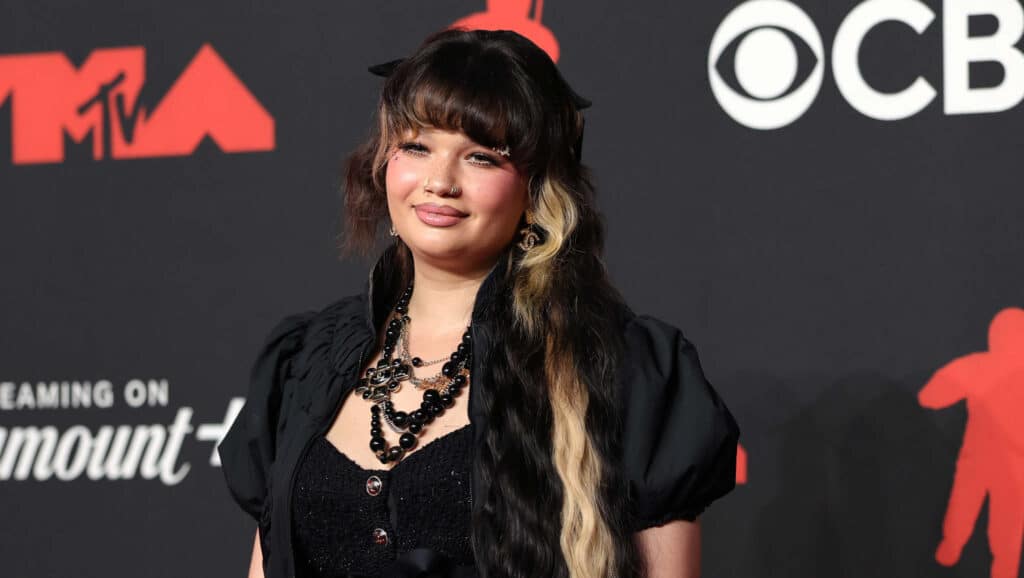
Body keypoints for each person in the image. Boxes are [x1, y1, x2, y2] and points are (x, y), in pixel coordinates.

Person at [218, 28, 739, 578]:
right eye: (416, 147)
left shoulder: (621, 368)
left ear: (536, 189)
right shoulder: (304, 362)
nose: (439, 181)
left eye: (482, 158)